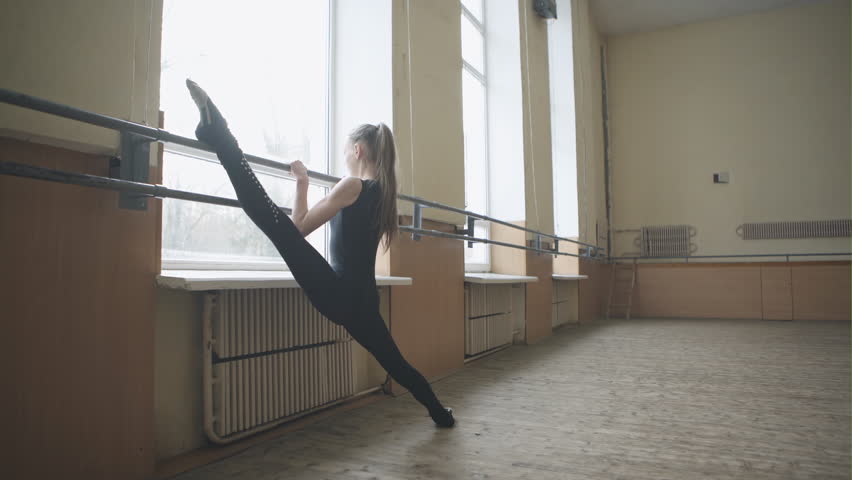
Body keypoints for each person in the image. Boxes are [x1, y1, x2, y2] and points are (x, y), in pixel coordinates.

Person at [185, 79, 455, 427]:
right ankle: (440, 414)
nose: (345, 157)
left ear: (357, 150)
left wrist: (302, 183)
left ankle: (220, 135)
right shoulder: (383, 195)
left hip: (340, 292)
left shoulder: (353, 186)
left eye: (346, 152)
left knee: (270, 219)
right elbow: (299, 230)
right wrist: (302, 185)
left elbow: (297, 229)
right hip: (362, 300)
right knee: (396, 363)